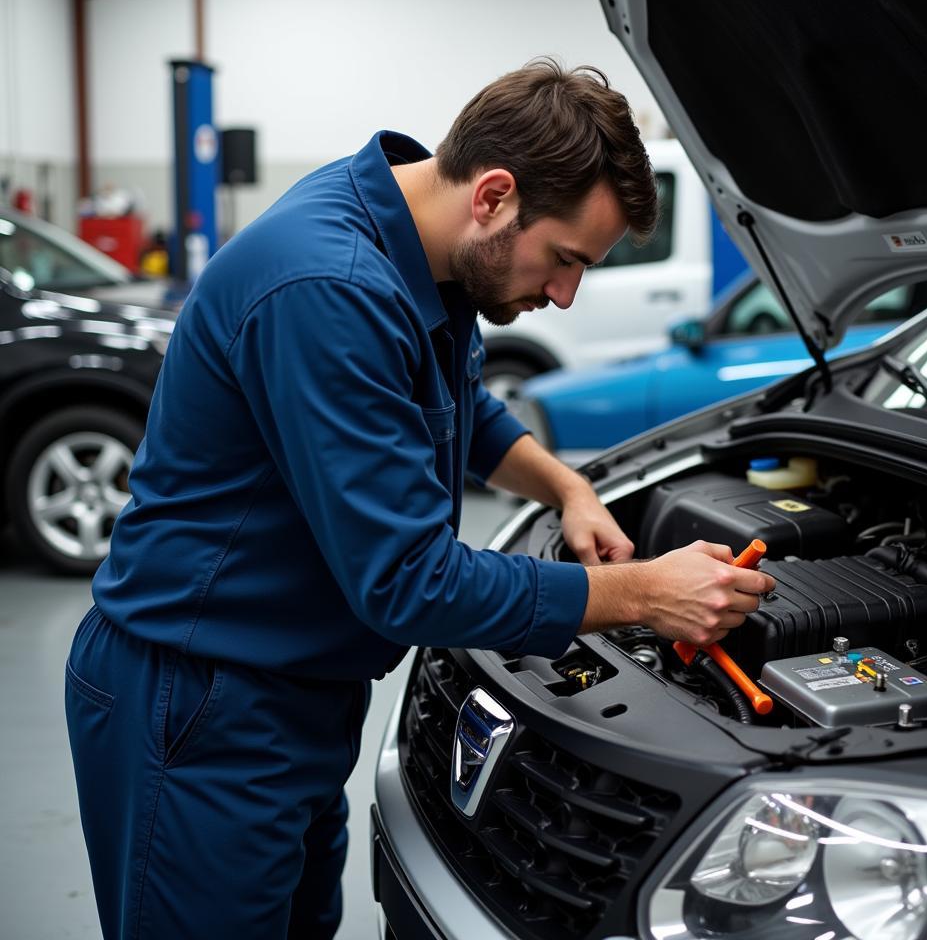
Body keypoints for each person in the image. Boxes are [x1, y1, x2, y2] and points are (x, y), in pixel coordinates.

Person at [65, 59, 774, 940]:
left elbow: (463, 407)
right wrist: (646, 595)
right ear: (495, 195)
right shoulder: (331, 289)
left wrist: (568, 486)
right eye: (564, 259)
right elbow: (410, 583)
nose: (563, 294)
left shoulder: (420, 242)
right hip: (200, 698)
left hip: (293, 691)